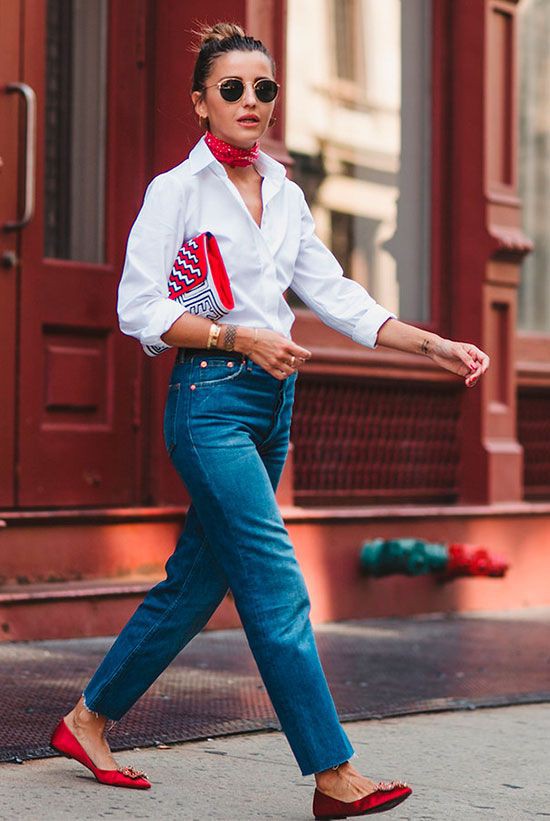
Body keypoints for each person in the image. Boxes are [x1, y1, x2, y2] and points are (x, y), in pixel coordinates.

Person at [50, 21, 489, 818]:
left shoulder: (284, 192)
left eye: (265, 89)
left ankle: (88, 719)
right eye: (233, 89)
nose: (252, 101)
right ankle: (332, 771)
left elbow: (338, 295)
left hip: (270, 407)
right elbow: (136, 308)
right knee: (277, 583)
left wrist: (429, 342)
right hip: (209, 400)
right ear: (200, 103)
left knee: (195, 583)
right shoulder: (175, 192)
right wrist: (235, 334)